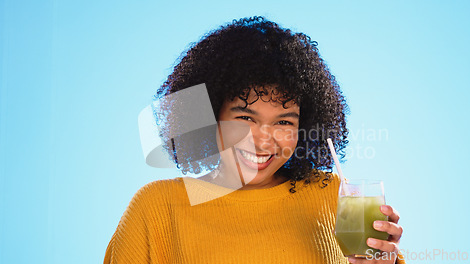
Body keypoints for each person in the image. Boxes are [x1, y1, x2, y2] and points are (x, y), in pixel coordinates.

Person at [104, 16, 404, 264]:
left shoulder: (335, 198)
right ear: (211, 114)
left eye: (284, 121)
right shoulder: (157, 208)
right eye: (246, 118)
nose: (262, 142)